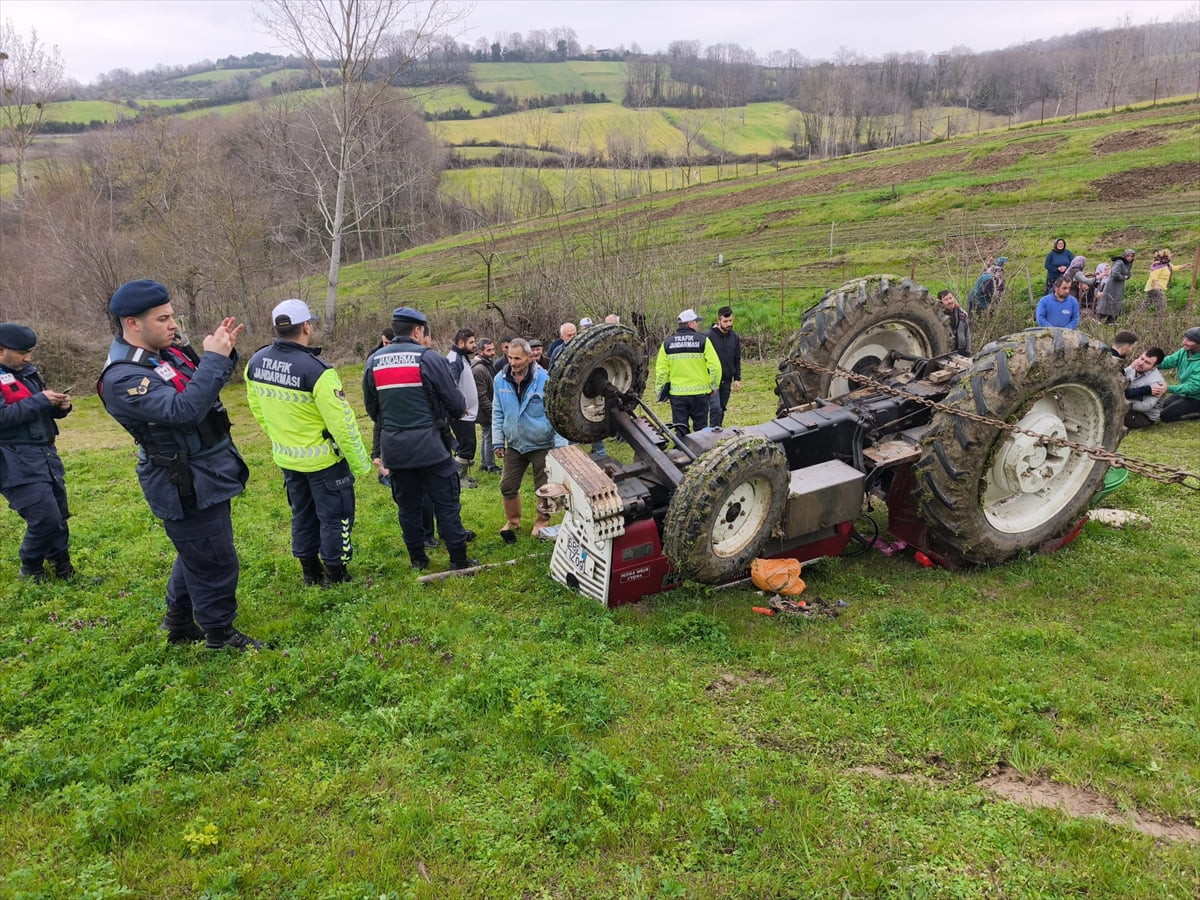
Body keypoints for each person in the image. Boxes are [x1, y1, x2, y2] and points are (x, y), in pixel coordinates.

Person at [98, 279, 262, 650]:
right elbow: (184, 411)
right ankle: (219, 635)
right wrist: (216, 361)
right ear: (132, 323)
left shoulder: (166, 352)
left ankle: (178, 622)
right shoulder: (124, 376)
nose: (173, 325)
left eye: (172, 316)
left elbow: (201, 386)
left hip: (206, 469)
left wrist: (224, 353)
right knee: (215, 559)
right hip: (181, 478)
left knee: (198, 549)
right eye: (163, 318)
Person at [245, 300, 371, 587]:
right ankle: (336, 575)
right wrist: (361, 464)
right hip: (325, 462)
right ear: (306, 326)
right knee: (335, 517)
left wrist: (281, 437)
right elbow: (344, 425)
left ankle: (309, 572)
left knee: (301, 514)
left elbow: (257, 409)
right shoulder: (318, 371)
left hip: (287, 459)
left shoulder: (255, 363)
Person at [363, 307, 477, 571]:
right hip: (431, 448)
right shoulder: (428, 358)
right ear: (417, 331)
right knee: (447, 503)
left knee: (408, 507)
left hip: (395, 450)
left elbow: (373, 409)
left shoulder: (374, 361)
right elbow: (456, 403)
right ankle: (458, 558)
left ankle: (417, 559)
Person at [0, 323, 74, 582]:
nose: (28, 357)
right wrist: (40, 400)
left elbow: (36, 410)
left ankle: (63, 568)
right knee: (44, 518)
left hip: (45, 454)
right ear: (1, 351)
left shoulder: (27, 372)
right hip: (12, 460)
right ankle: (30, 567)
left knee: (59, 514)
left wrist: (59, 407)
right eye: (22, 352)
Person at [492, 338, 566, 543]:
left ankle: (542, 520)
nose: (513, 362)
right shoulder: (500, 379)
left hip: (542, 443)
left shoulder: (545, 379)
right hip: (515, 444)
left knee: (544, 488)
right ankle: (513, 521)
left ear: (529, 357)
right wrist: (498, 441)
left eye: (517, 358)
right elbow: (497, 411)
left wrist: (560, 447)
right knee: (507, 485)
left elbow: (555, 413)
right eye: (510, 357)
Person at [655, 308, 722, 435]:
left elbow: (662, 371)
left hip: (678, 394)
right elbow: (715, 367)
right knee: (701, 430)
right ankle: (700, 453)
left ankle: (681, 452)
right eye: (696, 322)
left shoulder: (667, 343)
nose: (697, 324)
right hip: (700, 393)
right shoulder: (703, 341)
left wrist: (661, 392)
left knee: (680, 428)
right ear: (690, 323)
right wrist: (714, 386)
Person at [446, 329, 480, 488]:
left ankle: (464, 475)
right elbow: (451, 385)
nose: (474, 345)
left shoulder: (462, 357)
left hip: (467, 412)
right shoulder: (454, 360)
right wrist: (459, 405)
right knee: (466, 446)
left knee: (468, 445)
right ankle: (458, 478)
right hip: (460, 413)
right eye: (471, 342)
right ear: (461, 343)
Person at [1153, 326, 1200, 423]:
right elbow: (1168, 361)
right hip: (1184, 393)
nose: (1184, 342)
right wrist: (1151, 364)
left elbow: (1193, 386)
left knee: (1166, 416)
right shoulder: (1184, 351)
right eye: (1185, 338)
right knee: (1160, 406)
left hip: (1196, 397)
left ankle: (1197, 413)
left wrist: (1168, 388)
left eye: (1190, 340)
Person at [707, 306, 742, 427]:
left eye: (730, 321)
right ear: (719, 321)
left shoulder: (735, 336)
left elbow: (737, 358)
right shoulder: (708, 337)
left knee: (721, 409)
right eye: (725, 321)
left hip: (727, 380)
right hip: (712, 381)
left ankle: (717, 430)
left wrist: (737, 378)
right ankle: (712, 432)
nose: (729, 324)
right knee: (715, 409)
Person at [472, 338, 500, 473]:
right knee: (489, 436)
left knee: (486, 435)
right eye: (489, 350)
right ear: (480, 351)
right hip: (485, 409)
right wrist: (493, 411)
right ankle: (490, 465)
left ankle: (484, 464)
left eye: (493, 349)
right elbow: (481, 395)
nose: (492, 353)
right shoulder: (479, 369)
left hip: (486, 408)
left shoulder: (486, 365)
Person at [1123, 348, 1166, 429]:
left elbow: (1145, 406)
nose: (1141, 363)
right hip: (1128, 406)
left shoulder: (1157, 383)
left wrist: (1121, 402)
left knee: (1110, 415)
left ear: (1154, 367)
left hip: (1143, 416)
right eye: (1142, 358)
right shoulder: (1134, 366)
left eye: (1147, 363)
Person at [1097, 249, 1135, 324]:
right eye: (1128, 256)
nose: (1130, 258)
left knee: (1117, 301)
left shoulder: (1128, 264)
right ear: (1124, 255)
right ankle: (1099, 319)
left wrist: (1127, 277)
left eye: (1132, 256)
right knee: (1109, 300)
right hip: (1113, 285)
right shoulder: (1119, 262)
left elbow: (1128, 274)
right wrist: (1123, 277)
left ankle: (1111, 320)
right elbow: (1114, 273)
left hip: (1120, 286)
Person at [938, 290, 972, 355]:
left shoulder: (962, 314)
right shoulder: (939, 318)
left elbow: (967, 334)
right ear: (941, 302)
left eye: (950, 298)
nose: (950, 301)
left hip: (961, 351)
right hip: (946, 353)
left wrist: (968, 351)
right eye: (946, 299)